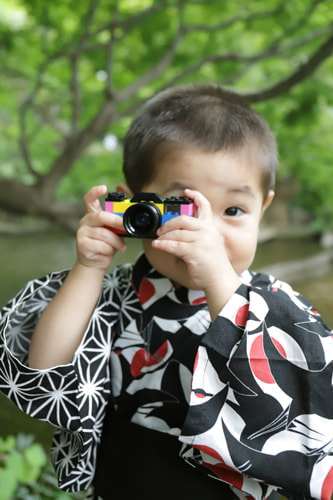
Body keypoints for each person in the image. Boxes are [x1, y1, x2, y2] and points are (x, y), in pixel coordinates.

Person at [0, 83, 332, 500]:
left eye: (232, 211)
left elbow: (307, 413)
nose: (204, 233)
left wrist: (217, 278)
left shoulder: (278, 308)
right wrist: (89, 267)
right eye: (181, 207)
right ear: (135, 207)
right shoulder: (114, 294)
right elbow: (44, 371)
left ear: (262, 211)